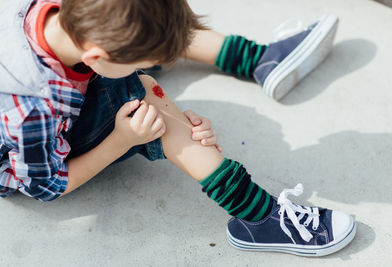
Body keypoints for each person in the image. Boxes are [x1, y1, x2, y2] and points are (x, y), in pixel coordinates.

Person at [0, 0, 355, 256]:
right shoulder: (35, 109)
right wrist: (123, 140)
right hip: (40, 155)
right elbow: (47, 185)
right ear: (96, 57)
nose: (159, 65)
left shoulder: (54, 13)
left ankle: (260, 60)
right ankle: (259, 217)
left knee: (153, 20)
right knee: (145, 97)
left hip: (67, 90)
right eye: (149, 61)